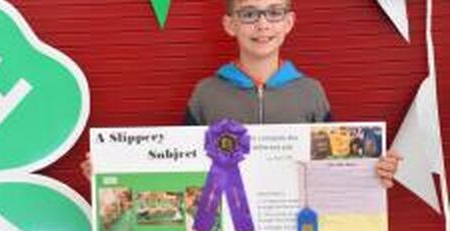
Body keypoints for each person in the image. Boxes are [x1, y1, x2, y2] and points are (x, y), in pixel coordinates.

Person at [82, 0, 400, 187]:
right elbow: (176, 166)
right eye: (249, 14)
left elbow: (335, 170)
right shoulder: (206, 94)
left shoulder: (311, 93)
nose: (262, 24)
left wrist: (373, 173)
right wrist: (111, 171)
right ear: (230, 25)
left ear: (289, 22)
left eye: (274, 12)